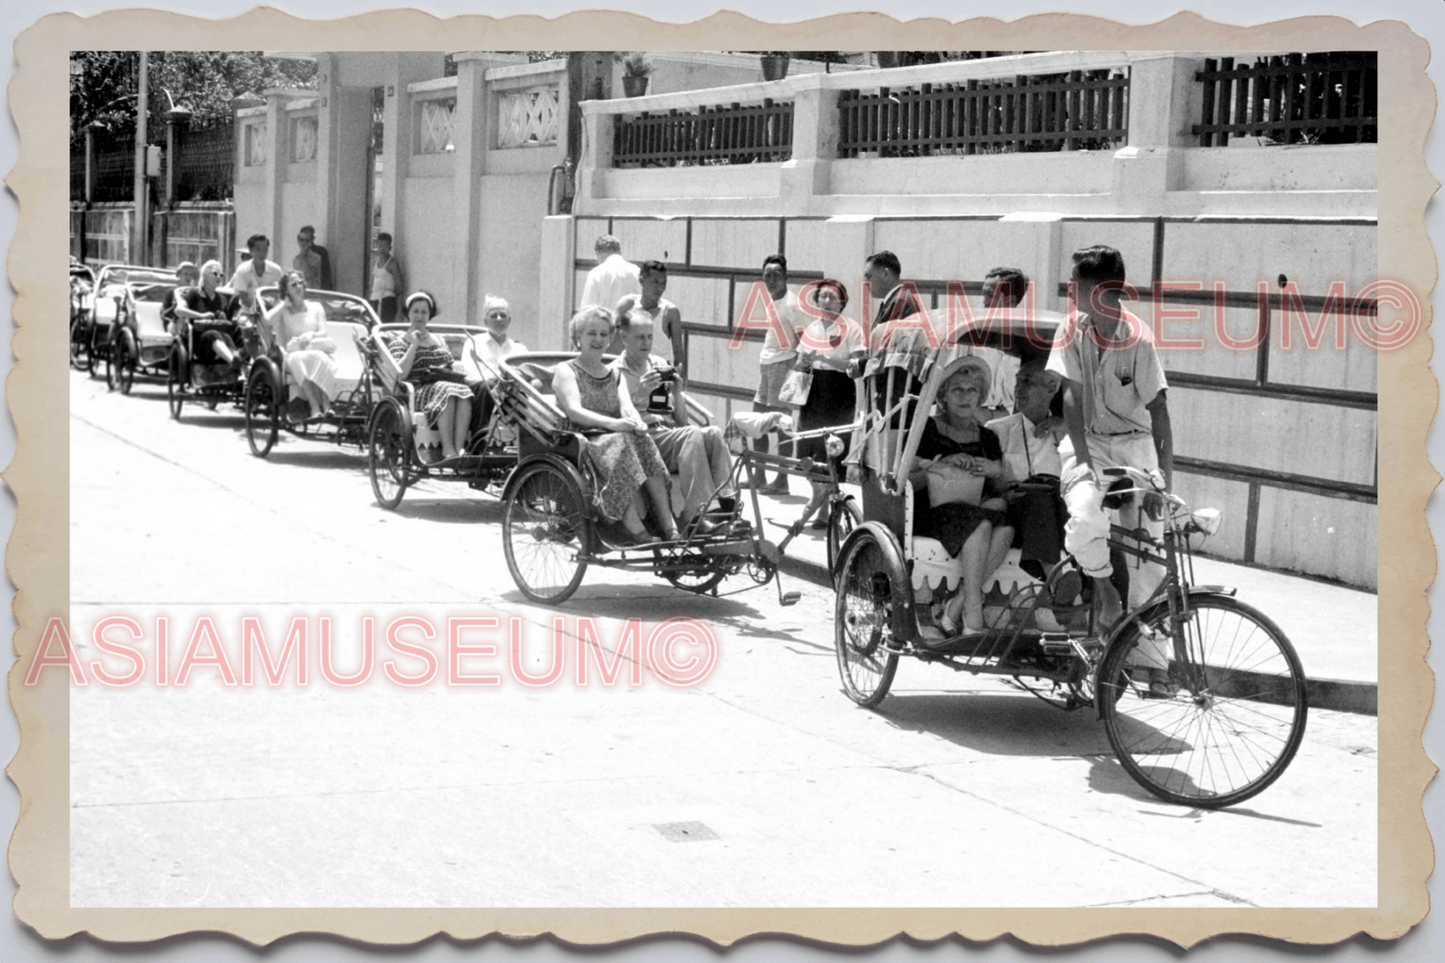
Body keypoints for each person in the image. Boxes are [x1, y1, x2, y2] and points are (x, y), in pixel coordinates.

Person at [1046, 244, 1173, 633]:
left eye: (1074, 283)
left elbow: (1160, 412)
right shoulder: (1071, 327)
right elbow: (1071, 396)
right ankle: (1105, 594)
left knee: (1148, 553)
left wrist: (1161, 483)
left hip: (1136, 446)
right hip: (1090, 443)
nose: (1068, 290)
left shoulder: (1138, 339)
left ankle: (1151, 663)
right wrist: (1084, 463)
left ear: (1099, 291)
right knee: (1083, 520)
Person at [552, 306, 678, 545]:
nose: (598, 339)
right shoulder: (566, 370)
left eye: (603, 334)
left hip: (612, 434)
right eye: (591, 334)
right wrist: (616, 425)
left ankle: (667, 522)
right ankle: (631, 524)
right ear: (578, 337)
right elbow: (574, 411)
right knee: (621, 441)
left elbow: (627, 407)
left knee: (641, 439)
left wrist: (635, 422)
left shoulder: (613, 374)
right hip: (580, 439)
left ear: (610, 339)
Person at [908, 356, 1011, 637]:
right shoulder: (927, 429)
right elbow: (907, 477)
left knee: (1006, 529)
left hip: (974, 511)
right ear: (942, 395)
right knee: (983, 523)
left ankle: (956, 607)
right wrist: (942, 464)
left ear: (980, 397)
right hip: (932, 511)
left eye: (972, 390)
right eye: (957, 390)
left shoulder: (987, 437)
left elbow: (1001, 488)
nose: (966, 396)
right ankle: (973, 612)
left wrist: (994, 470)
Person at [611, 308, 737, 536]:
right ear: (624, 338)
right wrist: (640, 391)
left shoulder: (659, 364)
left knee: (714, 432)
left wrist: (677, 393)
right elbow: (616, 417)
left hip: (669, 433)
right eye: (640, 337)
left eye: (650, 336)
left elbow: (681, 421)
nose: (646, 343)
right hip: (643, 439)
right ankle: (697, 514)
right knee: (692, 434)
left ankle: (729, 505)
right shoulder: (615, 372)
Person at [791, 279, 866, 532]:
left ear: (842, 302)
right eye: (822, 296)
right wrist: (802, 364)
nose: (826, 301)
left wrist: (825, 358)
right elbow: (800, 360)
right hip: (812, 392)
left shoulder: (852, 329)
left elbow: (857, 367)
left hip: (838, 392)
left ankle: (824, 510)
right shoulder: (811, 328)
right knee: (806, 452)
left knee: (831, 451)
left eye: (832, 297)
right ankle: (819, 497)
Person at [985, 361, 1068, 581]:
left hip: (1062, 520)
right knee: (1037, 497)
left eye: (1027, 381)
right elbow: (986, 487)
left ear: (1051, 387)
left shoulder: (1068, 432)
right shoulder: (996, 431)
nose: (1018, 388)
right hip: (1019, 519)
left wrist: (1067, 426)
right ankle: (1057, 578)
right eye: (1017, 381)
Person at [384, 291, 473, 462]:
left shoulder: (439, 340)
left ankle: (459, 448)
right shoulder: (399, 341)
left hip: (444, 385)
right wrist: (414, 345)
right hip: (417, 390)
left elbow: (449, 364)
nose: (419, 316)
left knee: (464, 390)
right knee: (447, 389)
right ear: (408, 313)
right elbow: (400, 375)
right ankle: (448, 449)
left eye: (424, 312)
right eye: (415, 311)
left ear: (429, 316)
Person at [749, 254, 805, 494]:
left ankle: (782, 481)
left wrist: (796, 377)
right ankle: (759, 476)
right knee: (757, 423)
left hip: (785, 367)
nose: (771, 280)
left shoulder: (792, 304)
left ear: (786, 278)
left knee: (782, 426)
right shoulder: (773, 300)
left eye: (776, 275)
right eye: (767, 275)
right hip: (768, 366)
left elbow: (805, 341)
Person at [863, 250, 927, 428]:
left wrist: (860, 365)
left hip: (894, 395)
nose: (866, 283)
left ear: (885, 273)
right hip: (890, 394)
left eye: (869, 276)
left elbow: (888, 351)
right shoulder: (896, 301)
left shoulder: (901, 302)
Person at [264, 271, 338, 423]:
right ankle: (314, 406)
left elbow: (323, 331)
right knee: (298, 358)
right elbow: (267, 321)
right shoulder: (284, 311)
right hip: (293, 356)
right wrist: (284, 304)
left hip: (316, 349)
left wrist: (311, 335)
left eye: (300, 283)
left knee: (321, 357)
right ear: (286, 290)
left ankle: (326, 405)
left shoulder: (316, 307)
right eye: (293, 284)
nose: (298, 286)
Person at [461, 294, 528, 439]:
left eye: (503, 315)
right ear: (486, 321)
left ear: (509, 320)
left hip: (510, 391)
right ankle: (479, 439)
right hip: (483, 389)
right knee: (487, 386)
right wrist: (496, 380)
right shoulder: (473, 343)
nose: (499, 319)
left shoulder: (519, 349)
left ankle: (523, 440)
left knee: (530, 388)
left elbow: (526, 375)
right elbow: (470, 373)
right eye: (494, 315)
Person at [974, 267, 1029, 422]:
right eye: (983, 294)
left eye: (989, 295)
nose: (984, 300)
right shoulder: (971, 336)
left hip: (1013, 423)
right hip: (970, 422)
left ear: (1011, 301)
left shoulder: (1026, 342)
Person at [611, 260, 683, 369]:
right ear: (641, 281)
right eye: (655, 282)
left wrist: (679, 381)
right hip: (631, 371)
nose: (660, 288)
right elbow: (610, 335)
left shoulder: (670, 312)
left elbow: (678, 354)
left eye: (663, 283)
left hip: (659, 374)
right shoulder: (627, 304)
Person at [174, 259, 245, 369]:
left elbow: (225, 323)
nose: (219, 277)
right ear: (205, 275)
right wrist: (201, 315)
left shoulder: (221, 299)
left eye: (221, 275)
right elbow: (178, 310)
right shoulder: (194, 294)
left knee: (231, 333)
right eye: (215, 274)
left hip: (219, 338)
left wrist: (223, 317)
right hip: (199, 342)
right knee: (212, 334)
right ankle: (233, 362)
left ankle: (239, 362)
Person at [578, 234, 640, 314]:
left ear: (599, 253)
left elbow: (587, 310)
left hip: (605, 324)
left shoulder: (596, 273)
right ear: (619, 251)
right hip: (631, 324)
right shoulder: (636, 271)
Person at [229, 234, 284, 318]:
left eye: (265, 249)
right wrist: (259, 309)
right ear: (250, 251)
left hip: (272, 314)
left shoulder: (276, 271)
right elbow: (244, 299)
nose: (262, 253)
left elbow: (282, 296)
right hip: (248, 313)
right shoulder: (242, 270)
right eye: (258, 249)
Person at [370, 232, 404, 324]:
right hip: (374, 299)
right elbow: (372, 283)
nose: (382, 249)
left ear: (390, 248)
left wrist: (390, 297)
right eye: (380, 246)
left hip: (387, 301)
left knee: (384, 327)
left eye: (385, 246)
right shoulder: (375, 262)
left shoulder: (392, 263)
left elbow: (399, 286)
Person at [160, 261, 199, 333]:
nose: (188, 277)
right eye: (186, 274)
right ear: (179, 275)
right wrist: (175, 307)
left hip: (190, 325)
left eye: (191, 275)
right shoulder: (171, 292)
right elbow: (163, 314)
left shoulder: (193, 292)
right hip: (173, 324)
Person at [293, 225, 333, 290]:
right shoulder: (296, 259)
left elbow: (310, 275)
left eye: (307, 240)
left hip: (317, 292)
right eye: (301, 240)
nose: (304, 243)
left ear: (312, 240)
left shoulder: (318, 254)